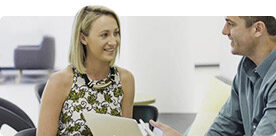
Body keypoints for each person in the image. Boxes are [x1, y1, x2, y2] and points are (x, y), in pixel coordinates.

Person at [150, 16, 276, 136]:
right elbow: (224, 128)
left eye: (230, 24)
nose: (224, 31)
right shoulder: (246, 67)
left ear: (258, 29)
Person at [37, 6, 135, 136]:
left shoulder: (125, 79)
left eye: (116, 33)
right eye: (105, 35)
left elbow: (126, 134)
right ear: (83, 38)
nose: (113, 41)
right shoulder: (59, 82)